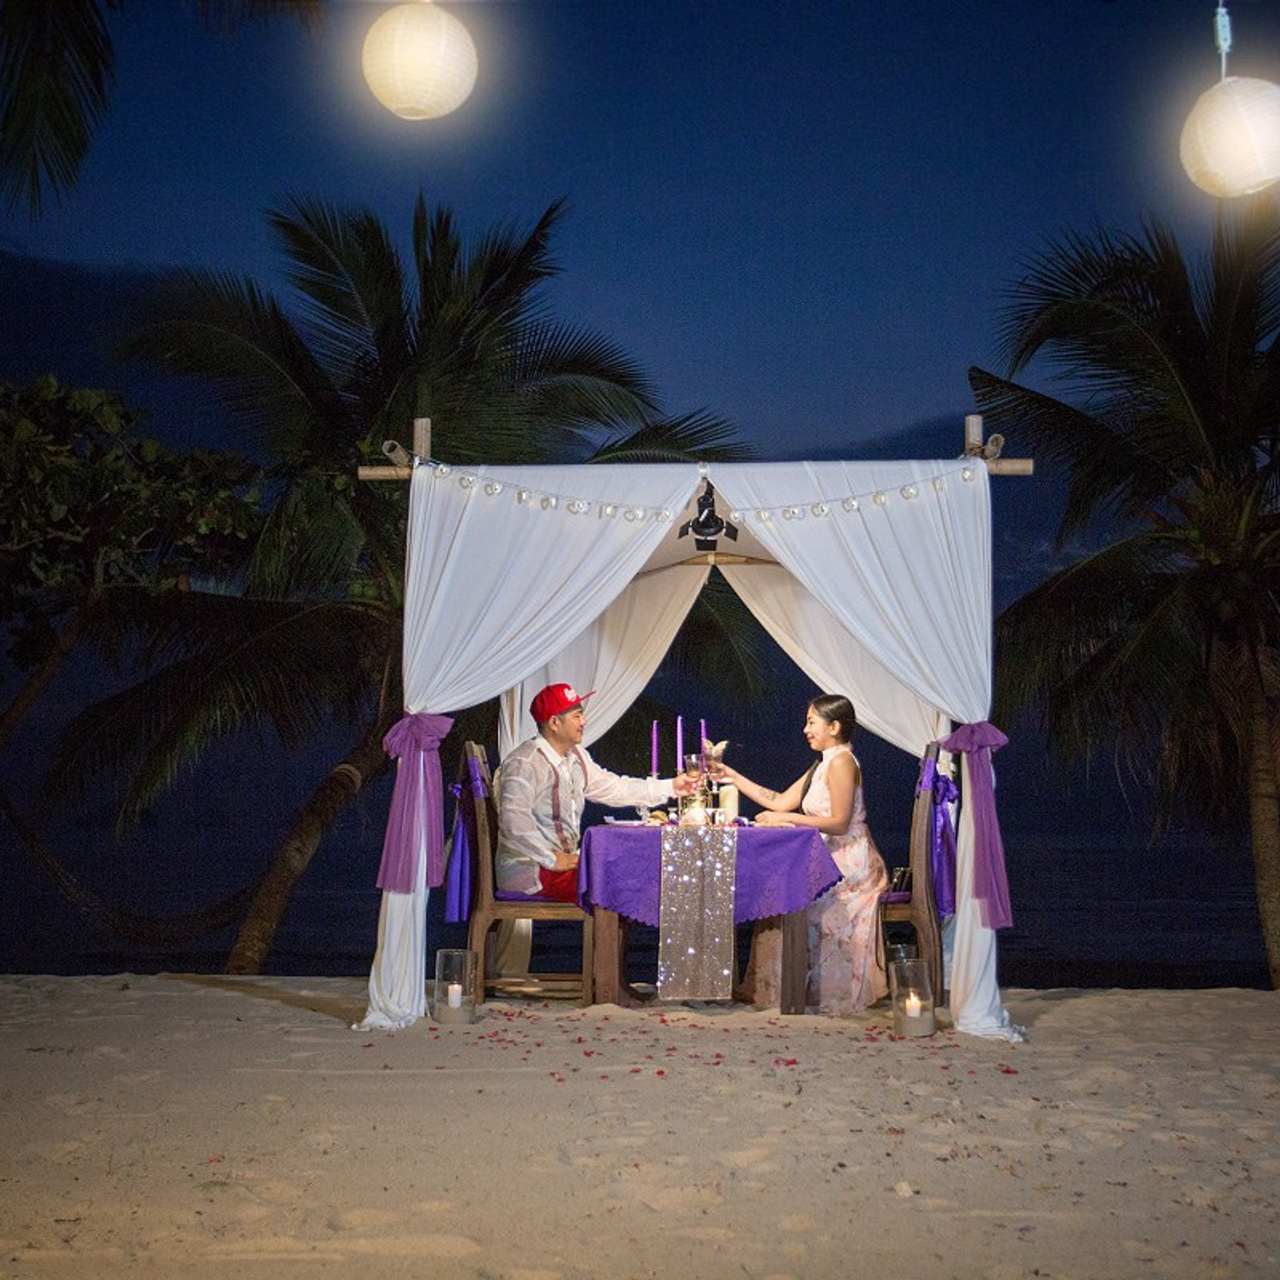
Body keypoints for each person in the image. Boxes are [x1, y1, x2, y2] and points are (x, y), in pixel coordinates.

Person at [710, 694, 889, 1015]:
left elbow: (839, 822)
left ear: (834, 727)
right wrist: (733, 777)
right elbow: (779, 801)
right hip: (825, 855)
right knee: (777, 892)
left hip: (848, 862)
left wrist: (790, 819)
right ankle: (781, 989)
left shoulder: (842, 762)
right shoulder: (822, 764)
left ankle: (796, 990)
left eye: (812, 722)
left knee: (787, 897)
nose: (805, 729)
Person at [494, 683, 696, 901]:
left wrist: (671, 787)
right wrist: (551, 859)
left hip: (561, 866)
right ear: (554, 723)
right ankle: (608, 924)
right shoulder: (525, 762)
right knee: (615, 883)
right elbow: (513, 818)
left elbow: (615, 788)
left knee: (630, 873)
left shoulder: (576, 757)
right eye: (577, 716)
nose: (584, 721)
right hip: (530, 871)